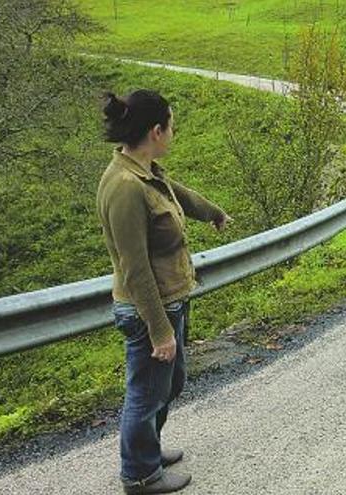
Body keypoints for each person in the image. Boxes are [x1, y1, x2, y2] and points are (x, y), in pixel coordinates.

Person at [97, 89, 231, 494]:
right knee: (145, 393)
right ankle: (139, 474)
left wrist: (214, 213)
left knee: (168, 385)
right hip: (147, 310)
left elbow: (178, 196)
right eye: (171, 126)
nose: (174, 132)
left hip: (171, 300)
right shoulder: (124, 187)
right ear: (156, 131)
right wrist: (159, 331)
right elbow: (134, 268)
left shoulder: (146, 171)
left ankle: (147, 450)